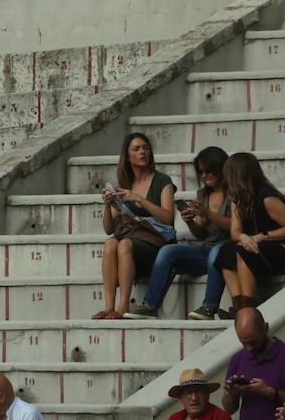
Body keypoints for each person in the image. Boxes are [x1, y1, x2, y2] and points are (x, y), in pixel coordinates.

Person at [126, 146, 232, 321]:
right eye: (201, 172)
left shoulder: (234, 193)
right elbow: (201, 235)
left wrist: (208, 214)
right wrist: (190, 221)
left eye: (209, 171)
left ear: (221, 169)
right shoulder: (203, 194)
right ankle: (149, 307)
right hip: (207, 251)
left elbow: (237, 227)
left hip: (229, 251)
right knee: (168, 252)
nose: (205, 175)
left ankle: (209, 307)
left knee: (216, 252)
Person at [94, 132, 176, 320]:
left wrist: (139, 199)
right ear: (127, 155)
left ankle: (123, 307)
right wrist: (108, 205)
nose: (142, 152)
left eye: (145, 148)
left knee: (124, 244)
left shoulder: (163, 181)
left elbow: (168, 219)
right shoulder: (124, 184)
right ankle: (108, 307)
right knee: (110, 243)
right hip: (131, 244)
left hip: (156, 245)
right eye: (136, 149)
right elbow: (108, 229)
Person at [213, 152, 285, 310]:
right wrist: (243, 237)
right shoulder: (237, 201)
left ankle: (248, 307)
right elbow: (235, 232)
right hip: (260, 245)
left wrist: (262, 236)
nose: (226, 179)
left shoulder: (266, 198)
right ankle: (238, 304)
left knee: (244, 251)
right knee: (226, 250)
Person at [221, 308, 285, 420]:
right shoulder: (238, 359)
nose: (249, 348)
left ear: (265, 328)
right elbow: (229, 409)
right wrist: (232, 394)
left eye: (253, 342)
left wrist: (270, 392)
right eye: (244, 343)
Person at [159, 369, 237, 420]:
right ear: (181, 398)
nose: (194, 398)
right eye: (189, 393)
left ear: (207, 395)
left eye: (198, 392)